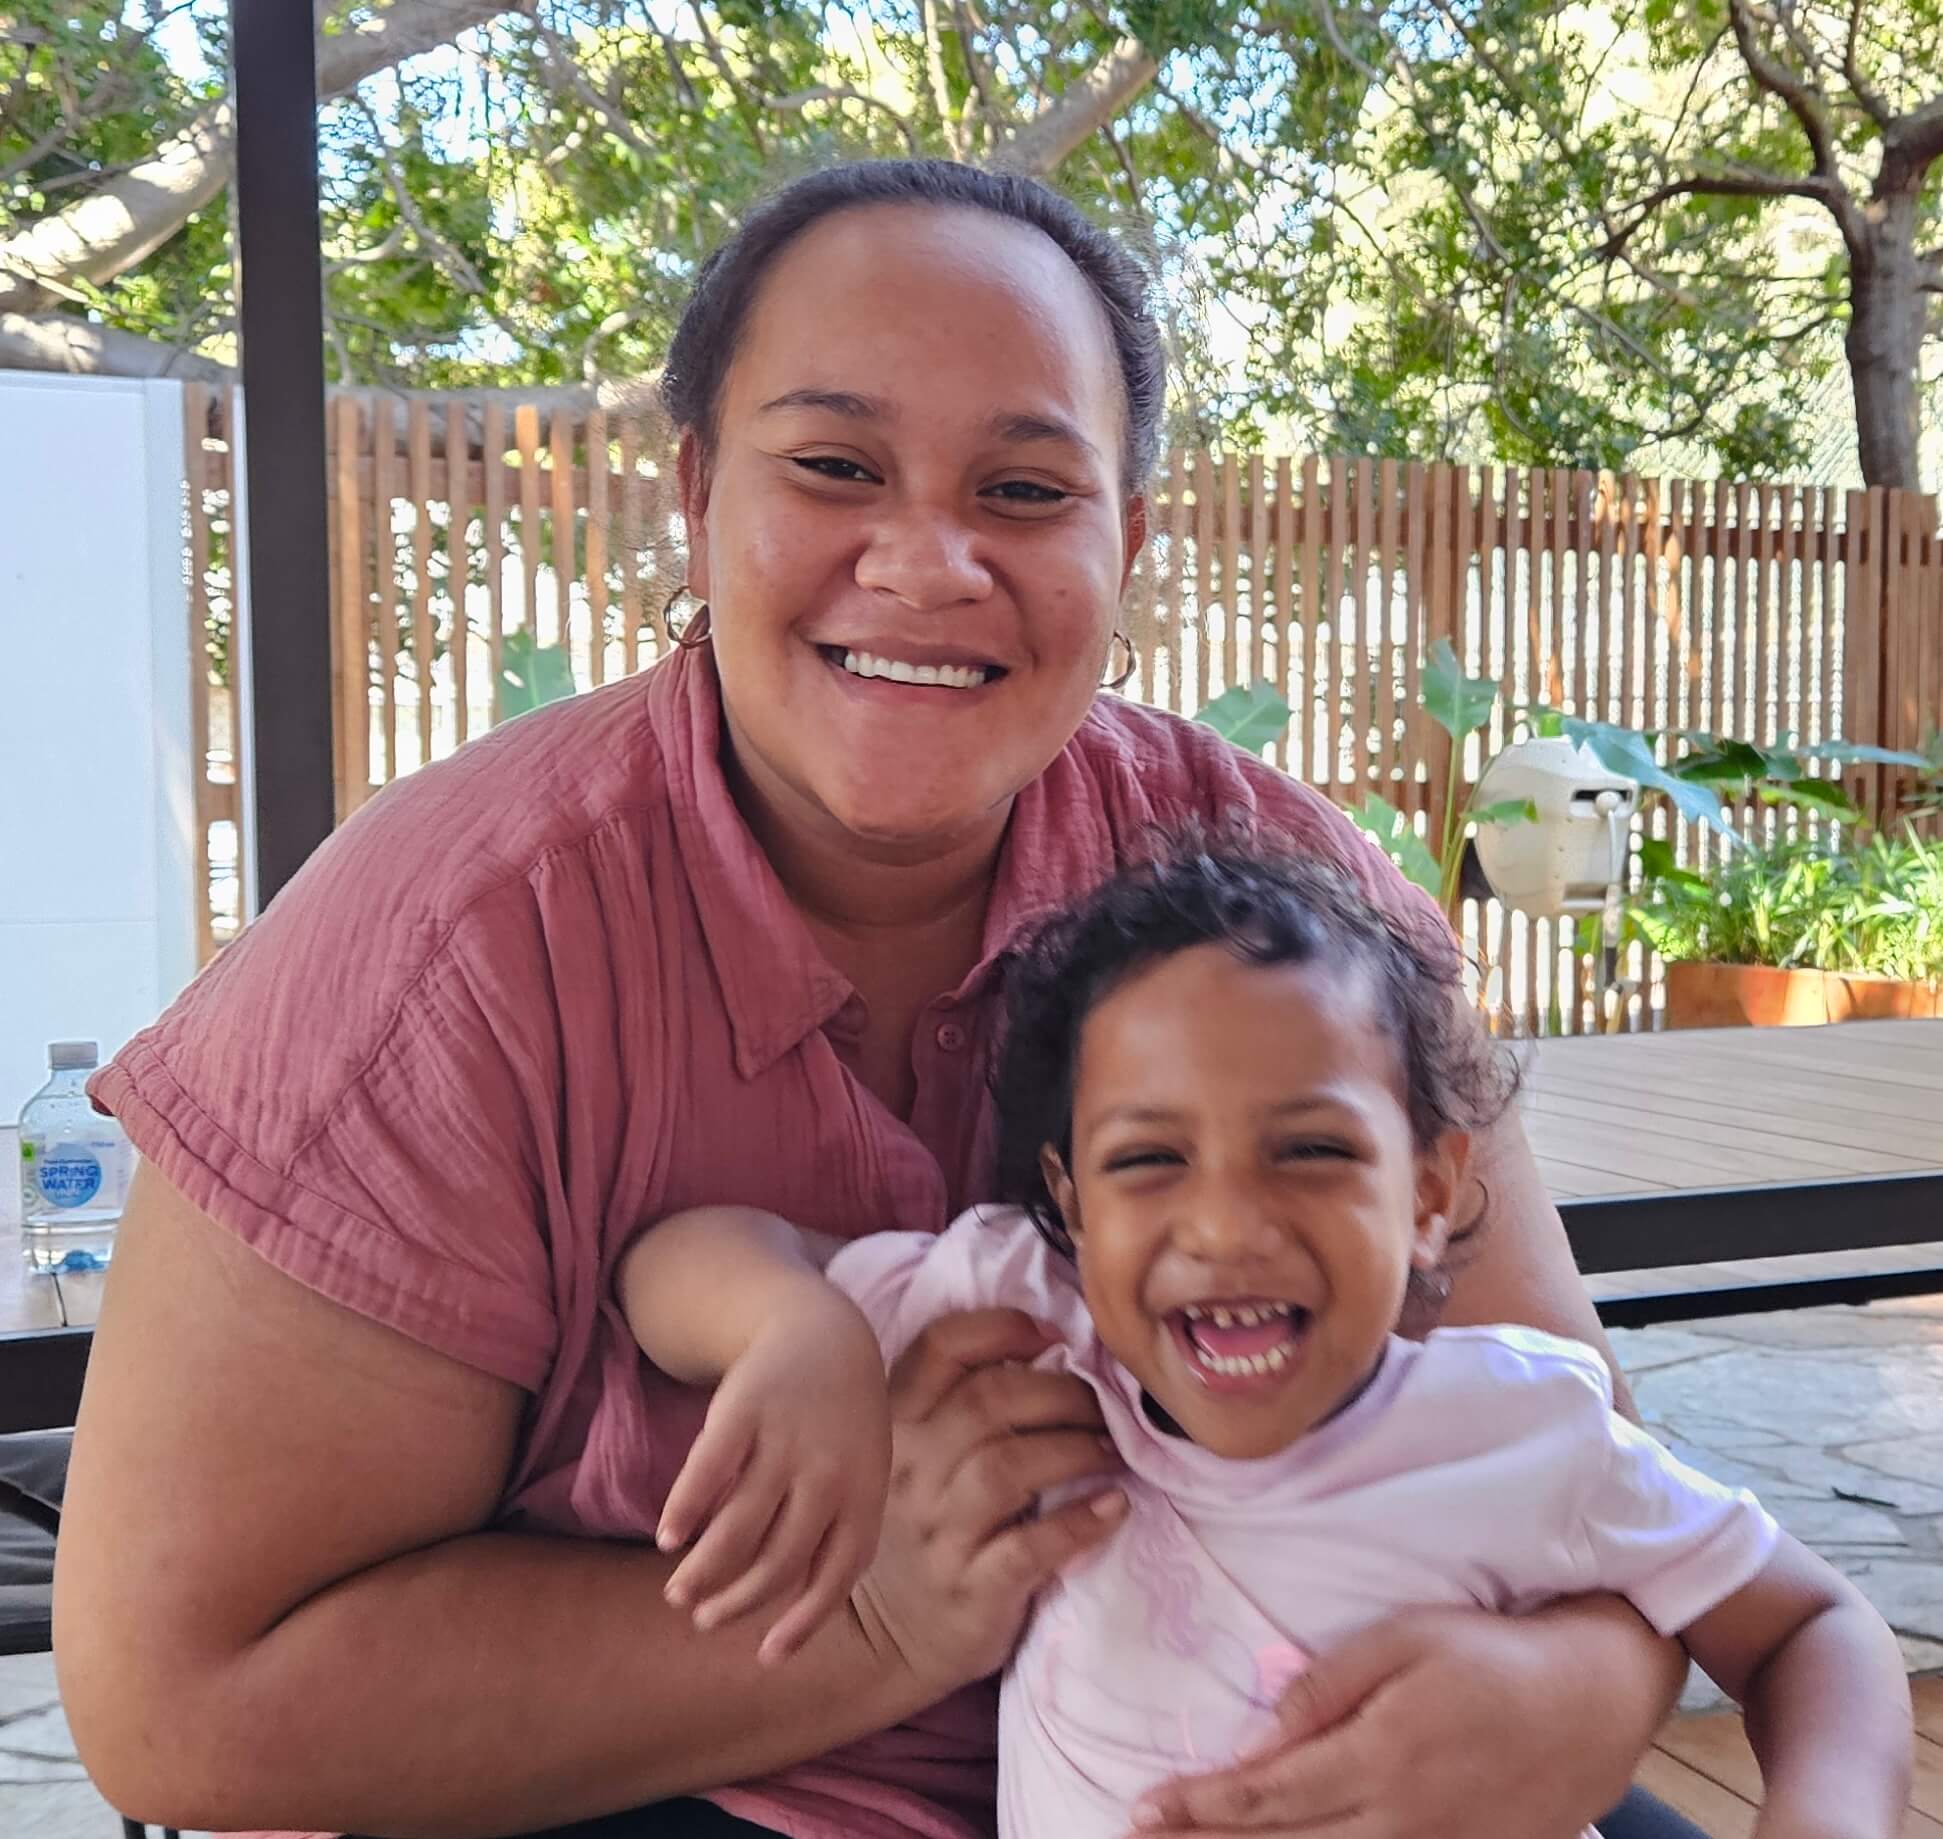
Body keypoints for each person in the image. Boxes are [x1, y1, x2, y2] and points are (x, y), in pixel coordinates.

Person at [60, 158, 1719, 1839]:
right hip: (678, 1788)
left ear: (1128, 540)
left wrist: (1573, 1694)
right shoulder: (442, 960)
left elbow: (1576, 1440)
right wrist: (878, 1618)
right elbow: (184, 1700)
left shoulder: (1288, 896)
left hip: (1268, 1736)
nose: (927, 563)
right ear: (698, 493)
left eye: (1023, 489)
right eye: (836, 466)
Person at [614, 841, 1911, 1839]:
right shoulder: (1023, 1328)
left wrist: (1826, 1817)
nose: (1226, 1225)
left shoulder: (1521, 1432)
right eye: (1152, 1160)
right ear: (1069, 1204)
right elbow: (670, 1262)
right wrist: (797, 1328)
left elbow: (1815, 1632)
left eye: (1309, 1151)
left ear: (1429, 1194)